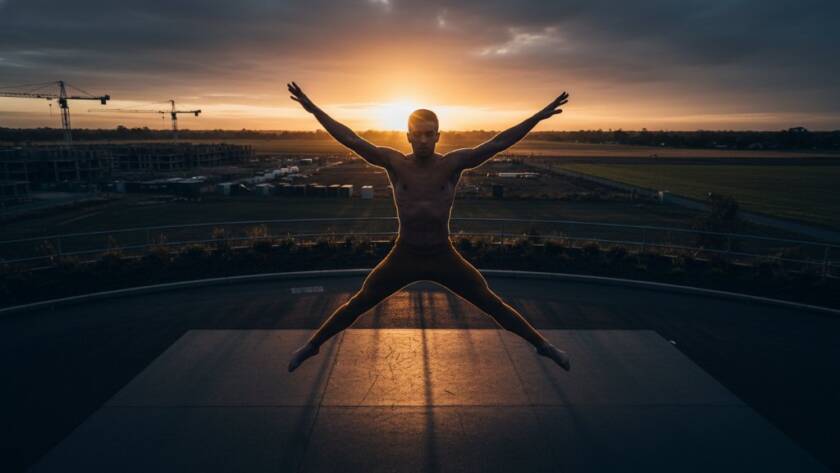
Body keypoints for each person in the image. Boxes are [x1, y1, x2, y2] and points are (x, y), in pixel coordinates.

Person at [286, 81, 570, 372]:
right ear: (407, 136)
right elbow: (352, 140)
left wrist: (537, 117)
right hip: (404, 254)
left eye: (428, 134)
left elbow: (498, 143)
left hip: (442, 255)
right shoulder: (395, 163)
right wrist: (313, 110)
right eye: (417, 135)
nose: (422, 140)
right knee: (359, 302)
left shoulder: (452, 164)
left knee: (490, 302)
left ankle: (544, 346)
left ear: (438, 135)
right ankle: (311, 346)